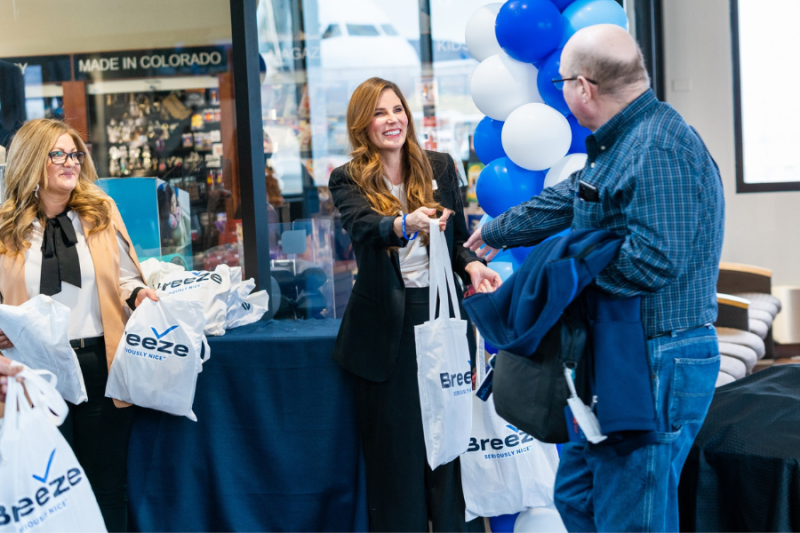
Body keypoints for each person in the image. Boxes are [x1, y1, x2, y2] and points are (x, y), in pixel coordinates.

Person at [464, 25, 725, 532]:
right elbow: (574, 196)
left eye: (561, 81)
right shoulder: (625, 141)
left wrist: (560, 278)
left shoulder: (659, 147)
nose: (558, 89)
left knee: (634, 519)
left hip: (656, 358)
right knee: (579, 496)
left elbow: (652, 261)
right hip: (620, 355)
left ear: (584, 87)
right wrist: (500, 229)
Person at [329, 77, 501, 532]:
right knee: (397, 456)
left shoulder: (440, 167)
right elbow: (365, 228)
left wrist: (471, 267)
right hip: (388, 328)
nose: (392, 120)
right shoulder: (347, 178)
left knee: (450, 449)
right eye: (380, 112)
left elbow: (460, 239)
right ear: (363, 124)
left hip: (443, 314)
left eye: (398, 110)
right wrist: (404, 223)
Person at [0, 118, 159, 532]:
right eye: (58, 153)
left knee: (107, 487)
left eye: (75, 153)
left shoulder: (100, 212)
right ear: (32, 159)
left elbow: (126, 276)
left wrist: (140, 294)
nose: (70, 162)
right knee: (46, 494)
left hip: (98, 363)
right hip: (30, 370)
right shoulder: (4, 226)